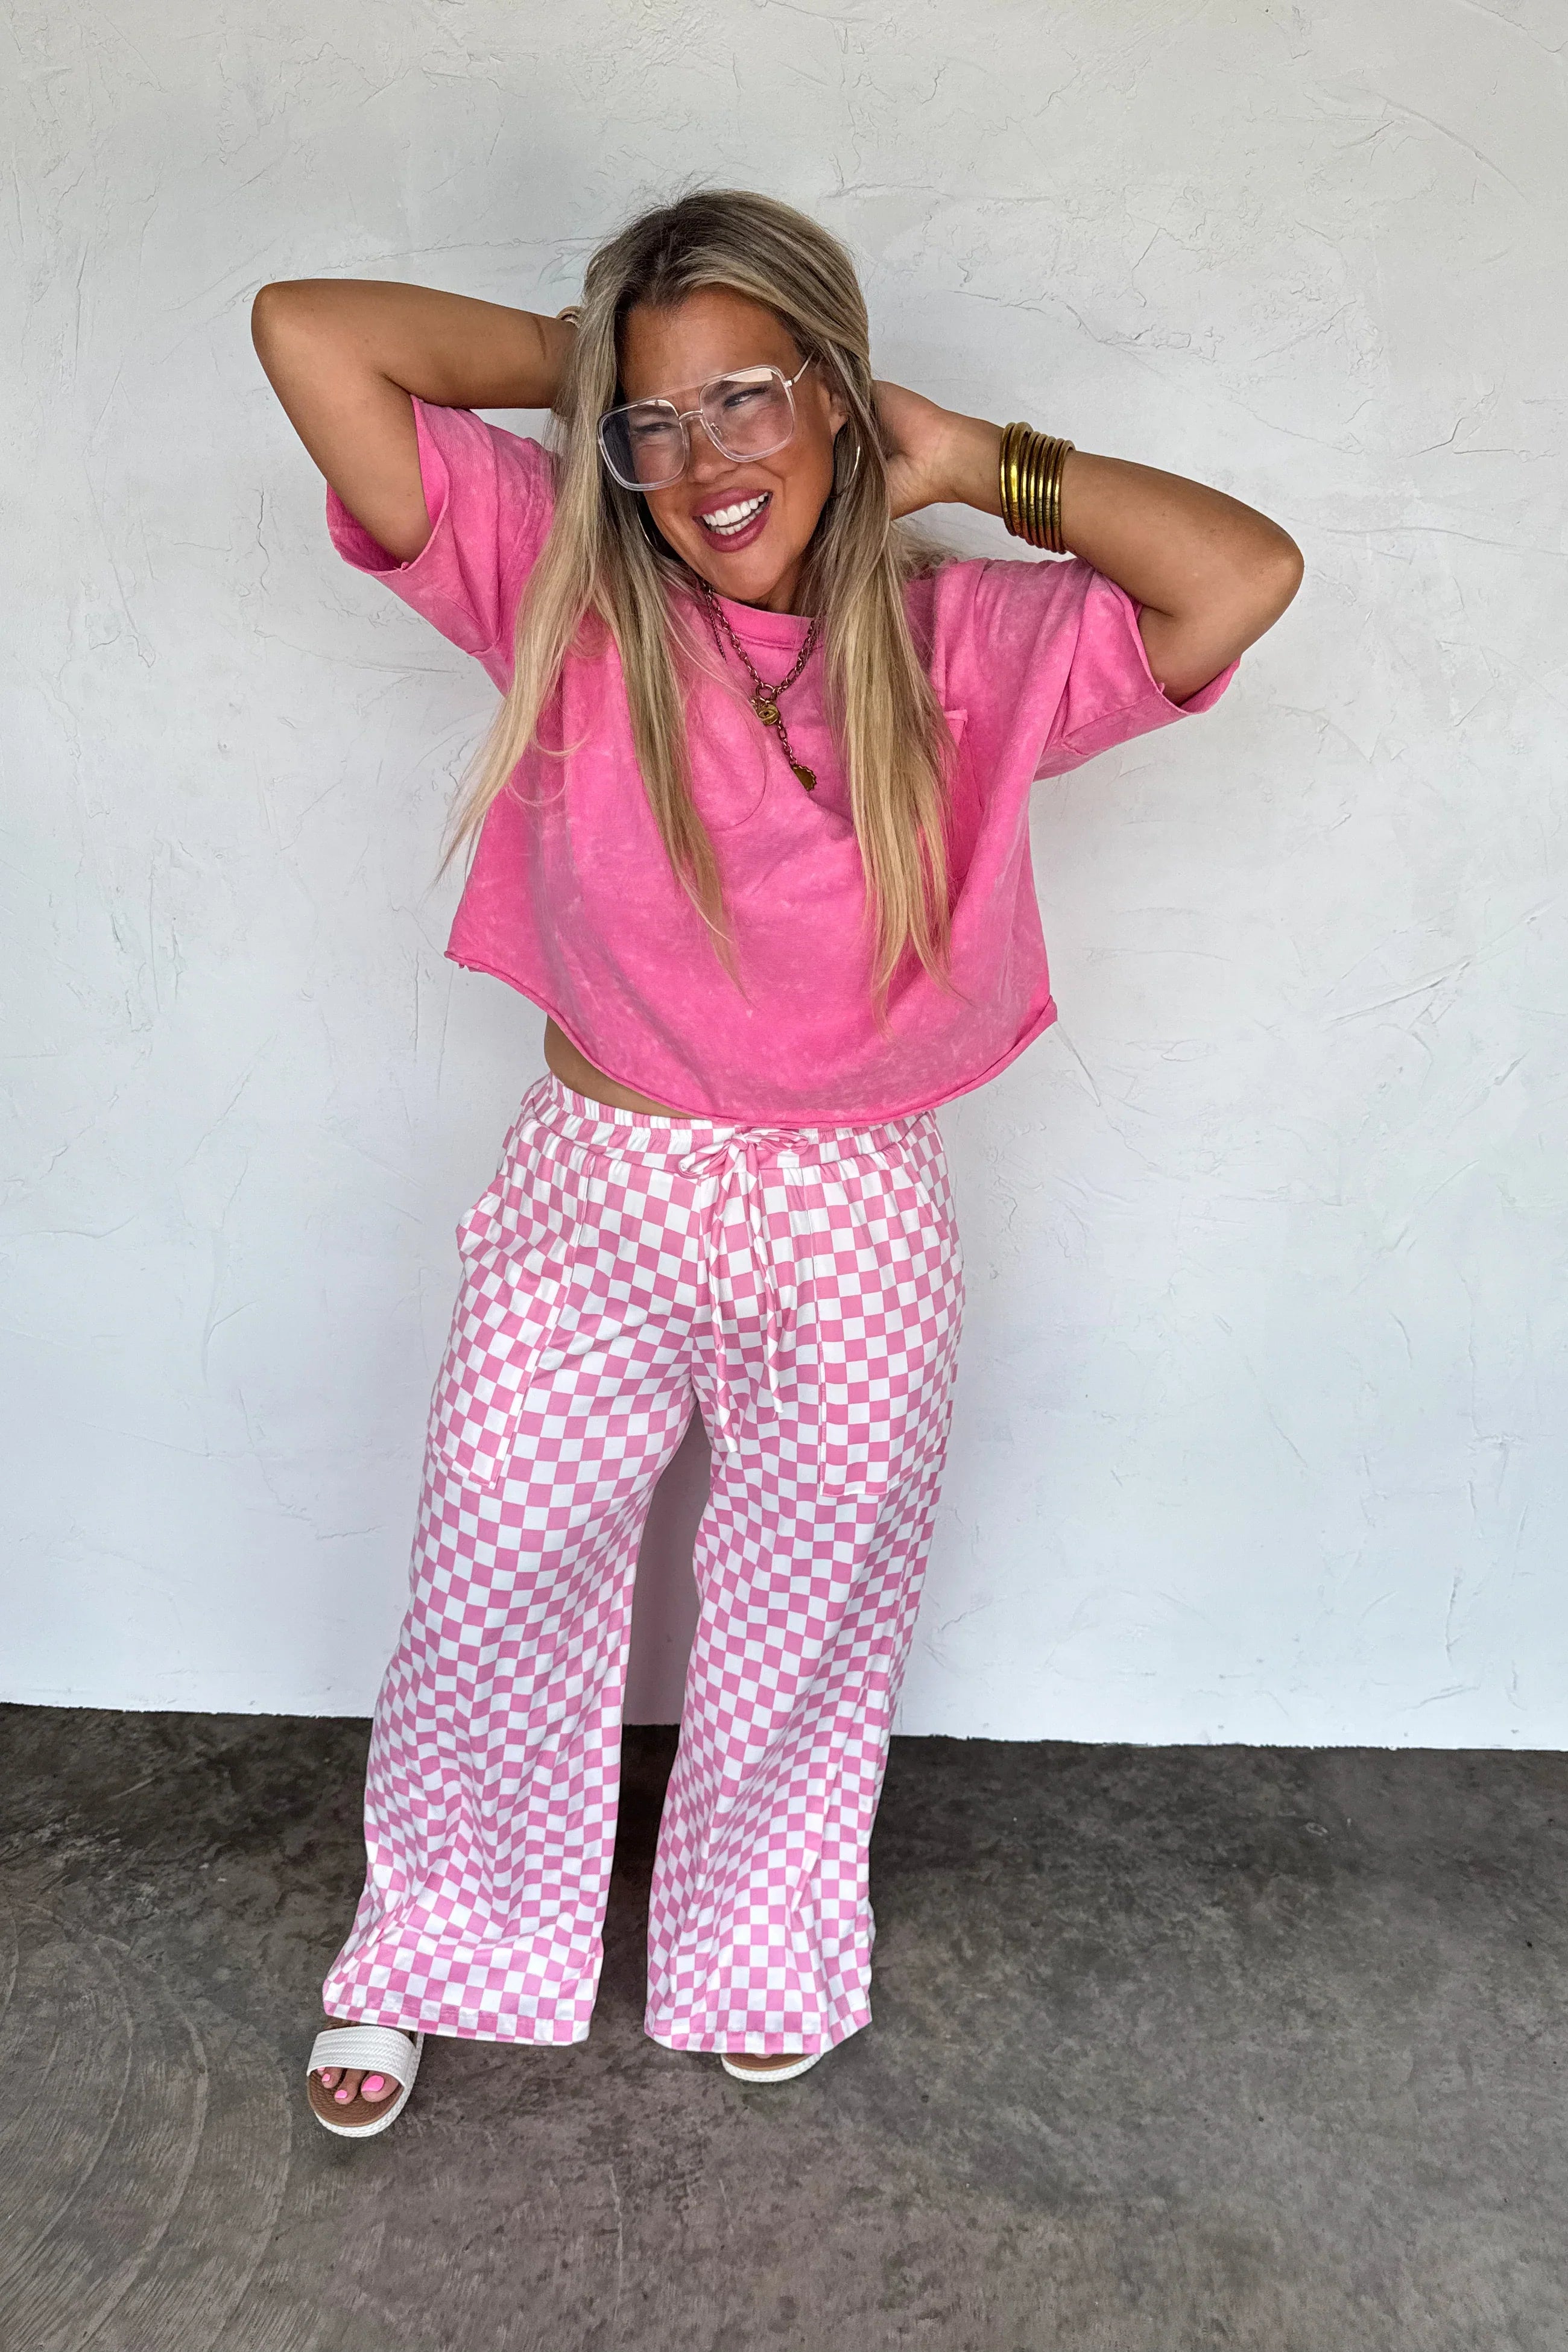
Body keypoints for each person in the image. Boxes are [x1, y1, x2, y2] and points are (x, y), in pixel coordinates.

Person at [250, 187, 1301, 2137]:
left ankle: (760, 1950)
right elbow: (308, 330)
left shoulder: (955, 644)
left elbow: (1241, 574)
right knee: (494, 1565)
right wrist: (596, 372)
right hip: (600, 1178)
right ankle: (433, 1945)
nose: (703, 459)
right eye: (657, 423)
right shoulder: (569, 595)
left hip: (854, 1201)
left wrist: (976, 460)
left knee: (809, 1609)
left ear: (837, 392)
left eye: (747, 397)